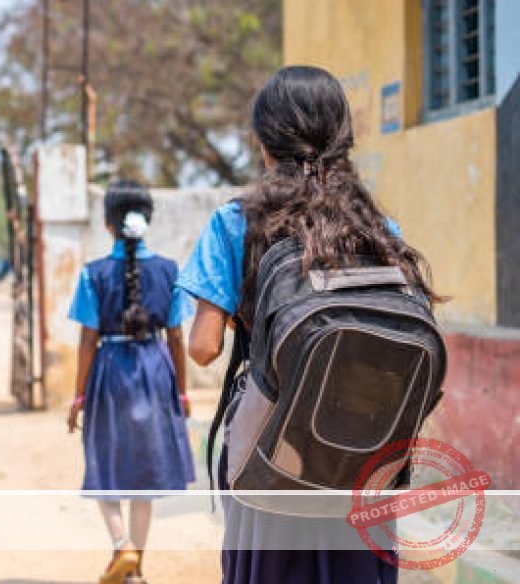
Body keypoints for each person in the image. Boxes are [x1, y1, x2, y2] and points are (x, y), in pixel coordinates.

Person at [177, 65, 440, 584]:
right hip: (368, 448)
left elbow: (204, 348)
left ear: (265, 140)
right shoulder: (379, 227)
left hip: (272, 452)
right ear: (342, 137)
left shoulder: (237, 223)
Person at [66, 180, 196, 584]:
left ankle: (121, 545)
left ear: (108, 224)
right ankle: (135, 568)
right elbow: (176, 335)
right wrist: (181, 390)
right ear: (149, 221)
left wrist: (79, 394)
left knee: (104, 464)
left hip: (110, 370)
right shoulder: (169, 270)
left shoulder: (93, 273)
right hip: (155, 370)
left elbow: (88, 338)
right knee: (145, 472)